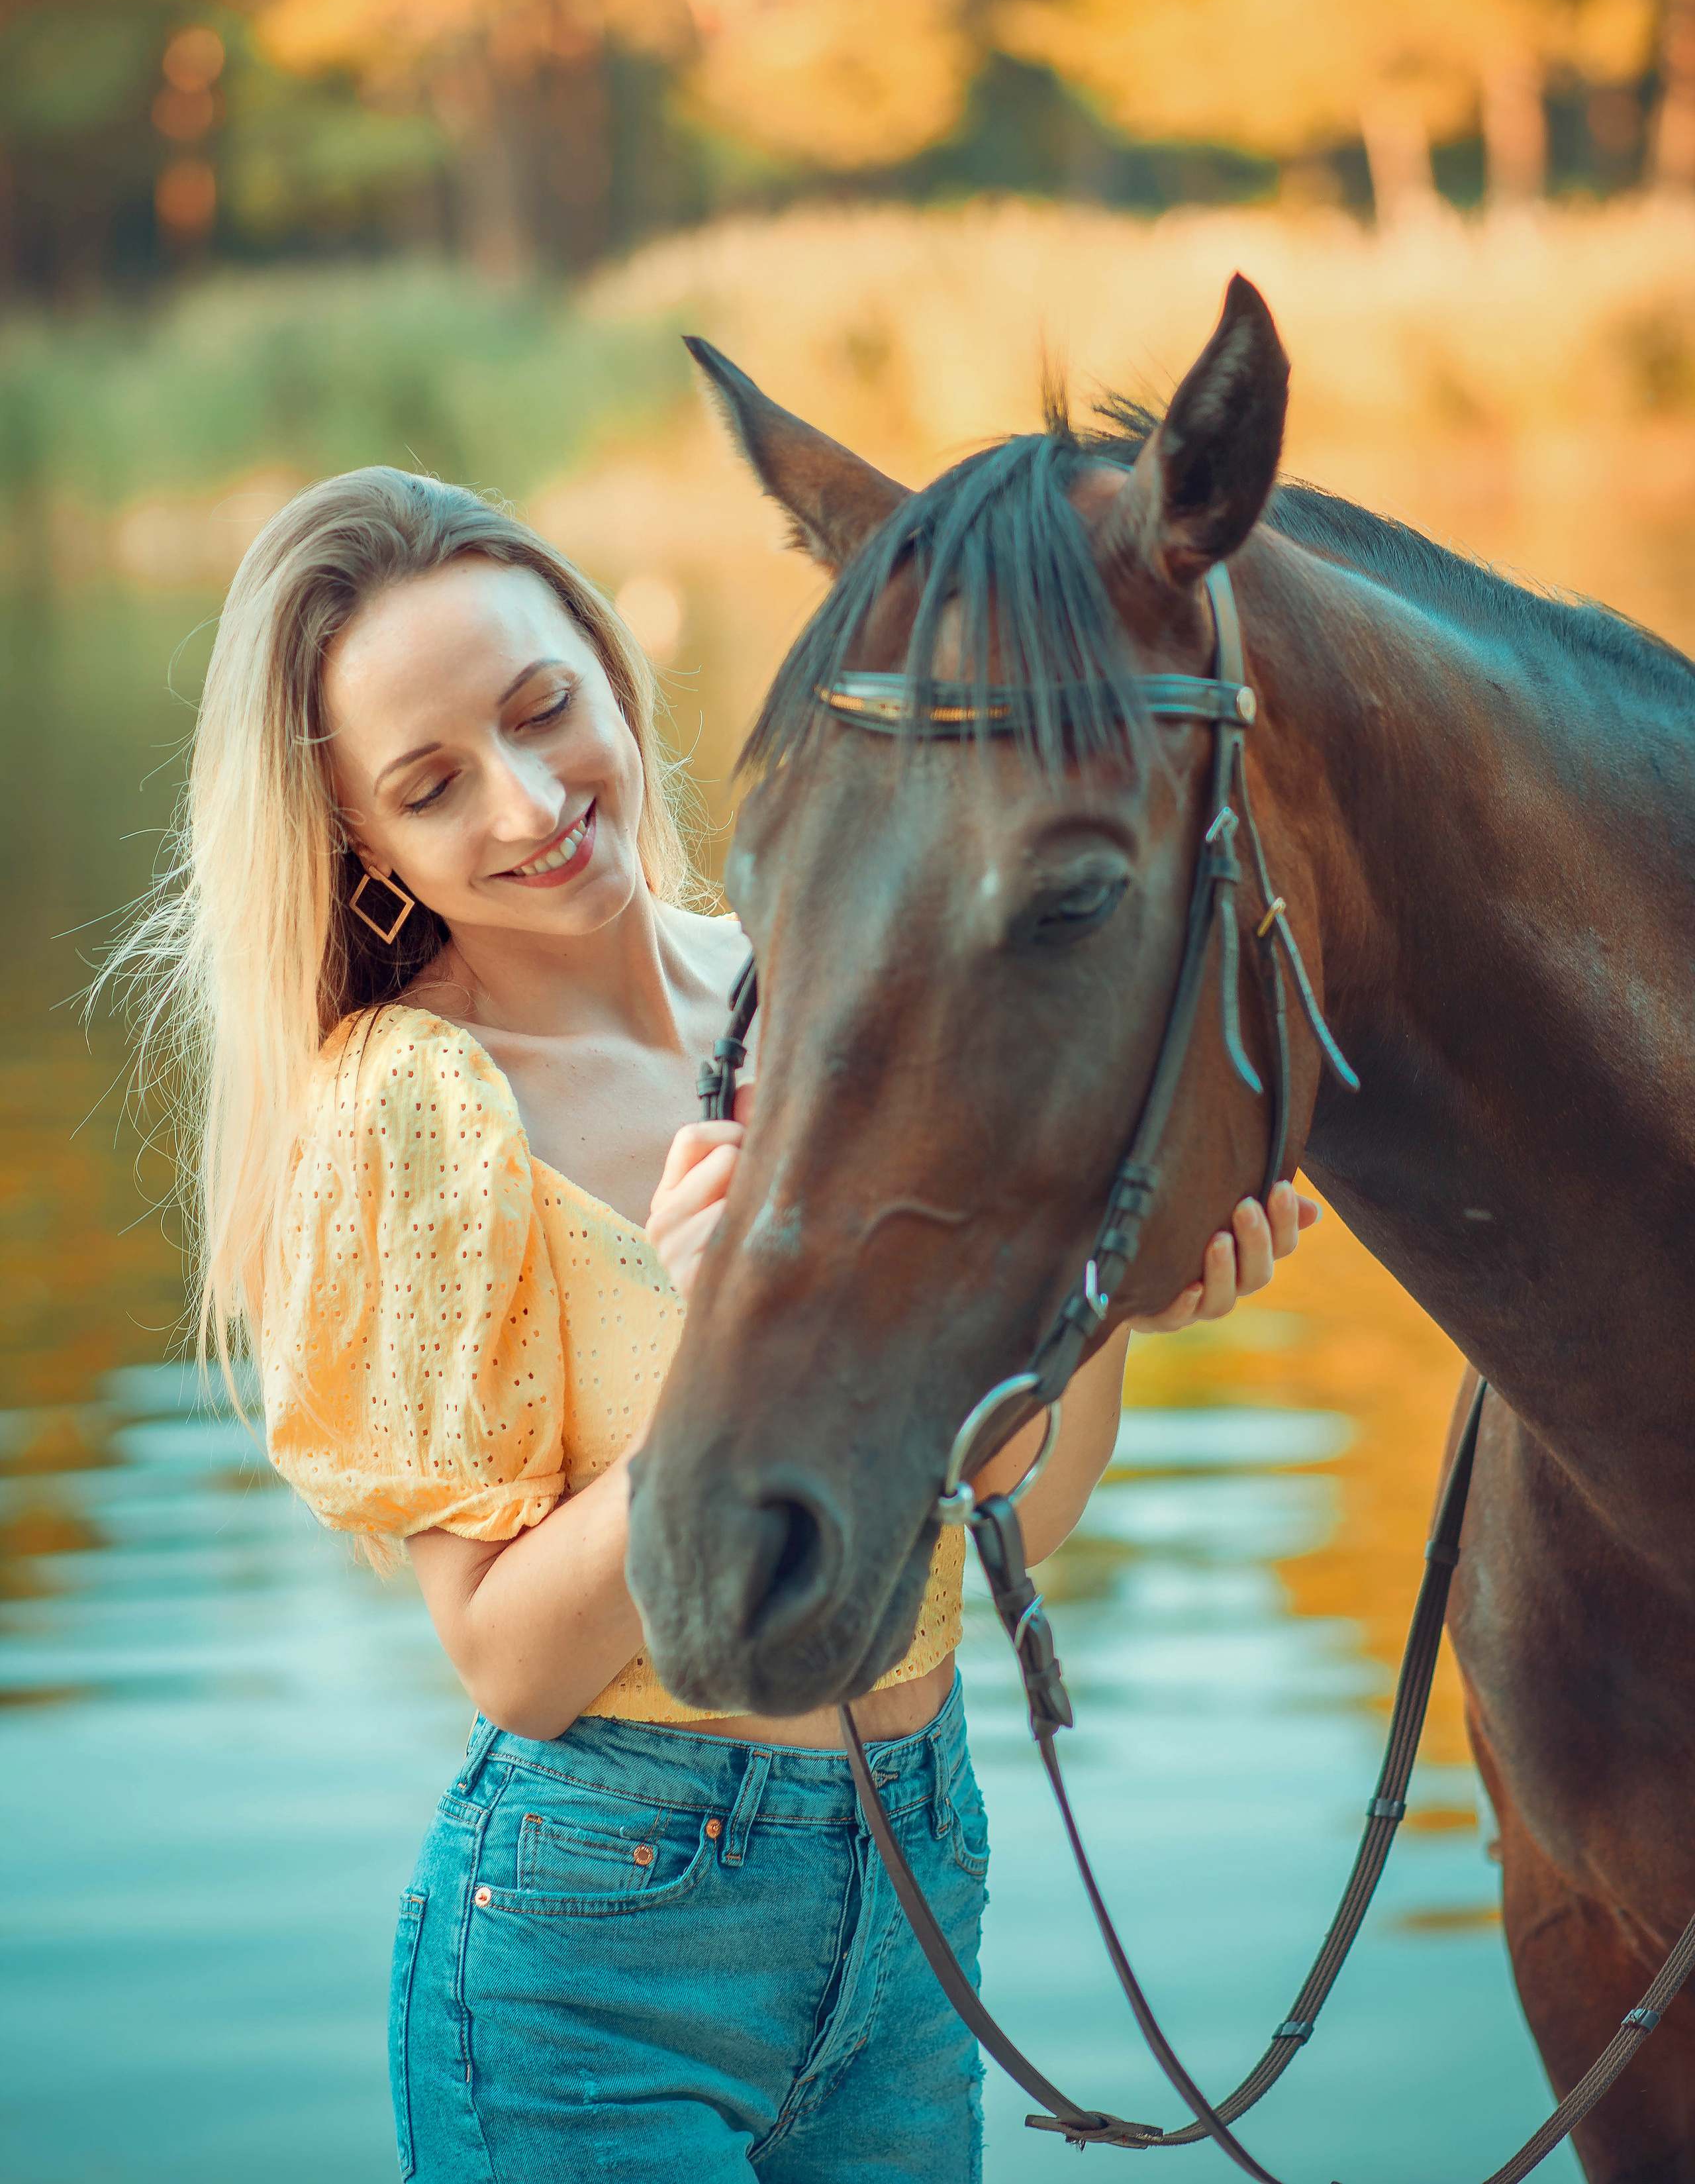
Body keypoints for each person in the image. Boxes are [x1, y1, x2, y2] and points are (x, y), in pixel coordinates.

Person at [115, 468, 1314, 2183]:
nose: (531, 801)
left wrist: (1106, 1286)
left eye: (545, 707)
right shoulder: (415, 1113)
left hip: (913, 1890)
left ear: (610, 662)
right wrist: (705, 1359)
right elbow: (511, 1663)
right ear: (360, 845)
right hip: (604, 1943)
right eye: (433, 784)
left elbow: (1004, 1521)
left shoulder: (822, 981)